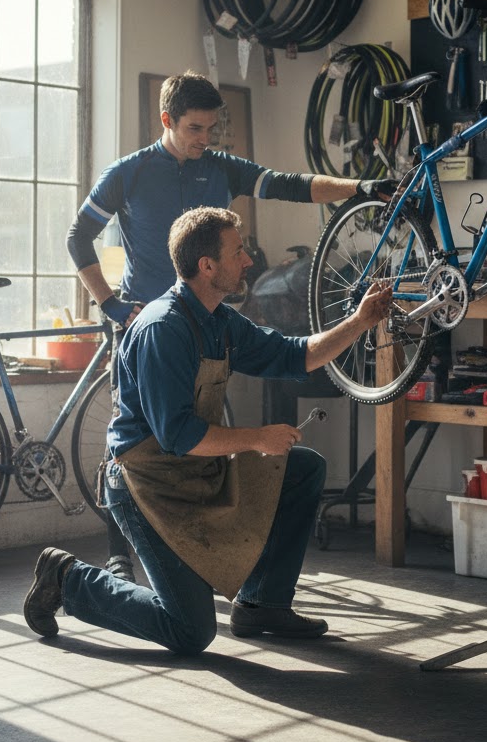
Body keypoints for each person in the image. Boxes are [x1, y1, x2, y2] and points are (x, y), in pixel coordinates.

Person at [66, 71, 396, 580]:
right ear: (166, 121)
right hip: (146, 325)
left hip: (206, 320)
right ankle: (118, 551)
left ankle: (201, 546)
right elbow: (78, 237)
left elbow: (291, 185)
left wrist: (361, 188)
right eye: (194, 129)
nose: (204, 140)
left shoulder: (220, 167)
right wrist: (111, 306)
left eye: (210, 129)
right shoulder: (127, 173)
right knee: (134, 437)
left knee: (203, 431)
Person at [25, 207, 393, 652]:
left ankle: (262, 606)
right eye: (238, 252)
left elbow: (295, 356)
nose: (249, 261)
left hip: (196, 469)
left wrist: (360, 321)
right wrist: (258, 437)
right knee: (191, 631)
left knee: (301, 468)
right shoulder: (164, 329)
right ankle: (68, 580)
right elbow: (177, 435)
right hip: (144, 486)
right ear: (207, 266)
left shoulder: (219, 319)